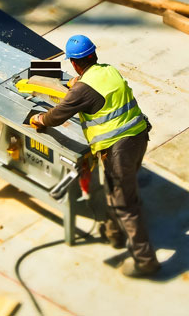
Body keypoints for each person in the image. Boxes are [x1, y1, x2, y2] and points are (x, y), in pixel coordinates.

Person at [30, 35, 160, 278]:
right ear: (94, 55)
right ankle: (115, 234)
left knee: (125, 203)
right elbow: (95, 88)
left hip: (117, 149)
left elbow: (56, 116)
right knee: (116, 188)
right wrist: (79, 83)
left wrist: (39, 119)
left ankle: (146, 260)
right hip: (139, 137)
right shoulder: (107, 71)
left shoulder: (82, 90)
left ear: (74, 63)